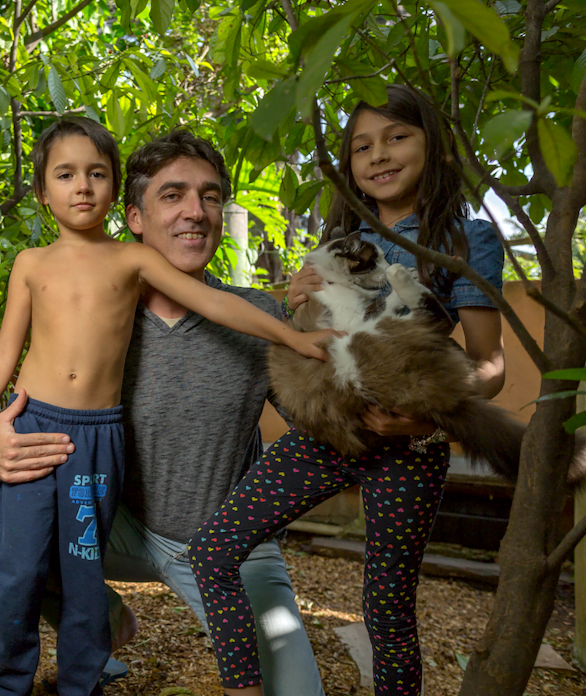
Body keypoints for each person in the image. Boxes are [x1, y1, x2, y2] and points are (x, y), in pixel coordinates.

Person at [0, 127, 329, 696]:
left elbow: (319, 414)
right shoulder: (62, 278)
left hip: (218, 534)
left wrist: (304, 334)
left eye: (210, 196)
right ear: (134, 214)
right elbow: (14, 356)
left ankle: (90, 654)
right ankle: (55, 652)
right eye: (173, 195)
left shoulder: (228, 305)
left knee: (293, 690)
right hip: (114, 510)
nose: (196, 212)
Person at [190, 84, 506, 696]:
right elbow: (304, 334)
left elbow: (489, 365)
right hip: (329, 427)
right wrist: (296, 302)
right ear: (349, 165)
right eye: (362, 146)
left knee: (386, 611)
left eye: (396, 137)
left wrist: (426, 422)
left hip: (408, 442)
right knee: (214, 550)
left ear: (434, 147)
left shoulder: (465, 239)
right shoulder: (338, 234)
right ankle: (244, 688)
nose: (378, 155)